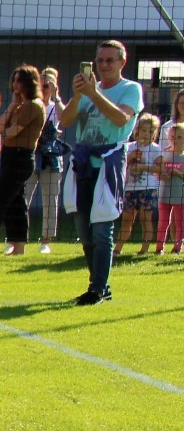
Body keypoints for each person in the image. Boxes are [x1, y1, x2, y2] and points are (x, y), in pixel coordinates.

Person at [63, 41, 140, 304]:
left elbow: (121, 119)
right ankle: (99, 285)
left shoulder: (130, 89)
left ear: (122, 62)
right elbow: (65, 121)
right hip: (83, 163)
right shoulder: (86, 91)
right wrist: (77, 96)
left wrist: (94, 94)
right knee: (84, 230)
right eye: (100, 60)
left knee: (102, 228)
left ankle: (97, 288)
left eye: (110, 60)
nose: (104, 65)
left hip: (109, 164)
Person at [0, 66, 45, 256]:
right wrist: (12, 104)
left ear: (29, 83)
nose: (15, 84)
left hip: (21, 157)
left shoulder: (33, 105)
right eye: (14, 80)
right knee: (16, 203)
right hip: (10, 156)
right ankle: (18, 247)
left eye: (20, 80)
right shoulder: (20, 105)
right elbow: (0, 128)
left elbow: (9, 132)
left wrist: (6, 128)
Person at [24, 68, 66, 254]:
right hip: (32, 154)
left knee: (50, 199)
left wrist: (56, 97)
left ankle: (46, 240)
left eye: (48, 84)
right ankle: (19, 237)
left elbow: (64, 119)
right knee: (24, 196)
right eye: (41, 83)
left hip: (51, 157)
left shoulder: (56, 106)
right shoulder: (31, 104)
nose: (44, 86)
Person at [121, 113, 163, 256]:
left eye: (151, 131)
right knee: (127, 219)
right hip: (130, 188)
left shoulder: (155, 149)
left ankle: (144, 248)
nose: (147, 134)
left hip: (148, 189)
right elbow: (121, 165)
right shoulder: (129, 147)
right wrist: (130, 157)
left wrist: (144, 167)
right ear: (137, 130)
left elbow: (161, 168)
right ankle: (118, 248)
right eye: (144, 130)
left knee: (145, 219)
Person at [158, 119, 184, 254]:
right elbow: (158, 174)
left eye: (179, 137)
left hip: (180, 196)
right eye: (172, 136)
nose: (175, 140)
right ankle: (159, 248)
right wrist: (162, 175)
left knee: (180, 223)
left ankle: (177, 247)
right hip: (164, 195)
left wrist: (177, 172)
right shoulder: (164, 155)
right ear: (168, 137)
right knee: (163, 222)